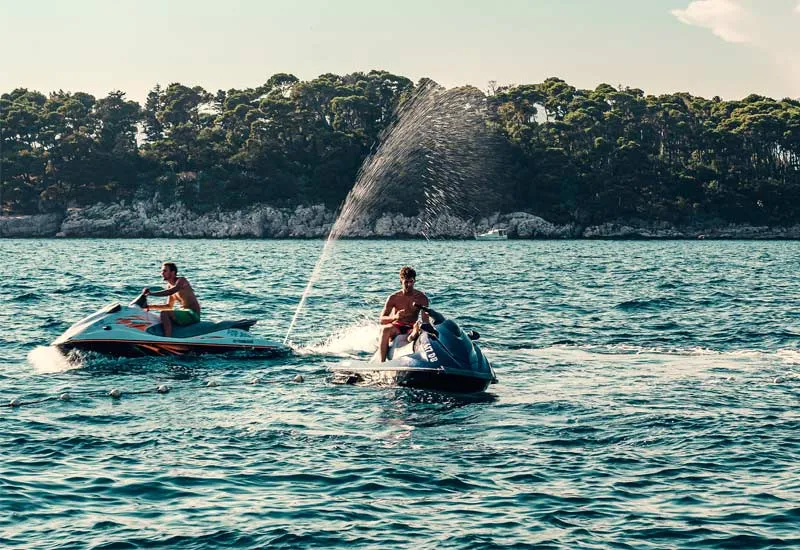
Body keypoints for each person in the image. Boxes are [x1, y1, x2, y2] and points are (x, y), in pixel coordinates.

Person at [378, 266, 429, 362]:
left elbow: (426, 321)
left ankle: (413, 335)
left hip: (411, 327)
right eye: (406, 282)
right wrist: (395, 317)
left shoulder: (422, 298)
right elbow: (381, 320)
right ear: (401, 281)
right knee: (384, 329)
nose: (409, 285)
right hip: (397, 326)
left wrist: (423, 327)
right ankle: (382, 362)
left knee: (422, 329)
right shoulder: (393, 298)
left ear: (415, 281)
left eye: (411, 282)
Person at [142, 262, 201, 338]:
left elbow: (171, 291)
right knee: (160, 316)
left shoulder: (182, 280)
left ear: (173, 272)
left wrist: (151, 294)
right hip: (184, 313)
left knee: (164, 313)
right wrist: (149, 307)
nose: (162, 273)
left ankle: (167, 339)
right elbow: (169, 306)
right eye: (162, 271)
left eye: (165, 271)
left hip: (192, 314)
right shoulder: (170, 285)